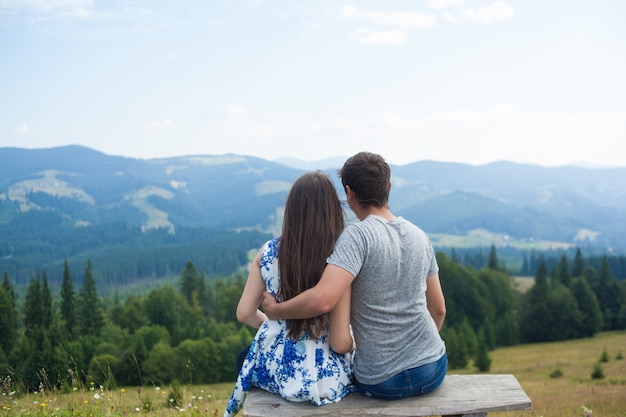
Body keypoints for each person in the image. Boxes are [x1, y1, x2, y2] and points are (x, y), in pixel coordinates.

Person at [262, 151, 447, 400]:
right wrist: (417, 355)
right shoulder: (419, 236)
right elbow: (438, 310)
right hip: (433, 369)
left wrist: (276, 310)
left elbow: (322, 300)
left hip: (382, 380)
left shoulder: (357, 237)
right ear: (388, 187)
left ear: (349, 193)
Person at [224, 171, 356, 417]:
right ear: (332, 210)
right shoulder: (341, 256)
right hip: (325, 377)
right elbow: (339, 343)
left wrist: (278, 326)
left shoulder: (268, 251)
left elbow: (244, 313)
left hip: (277, 370)